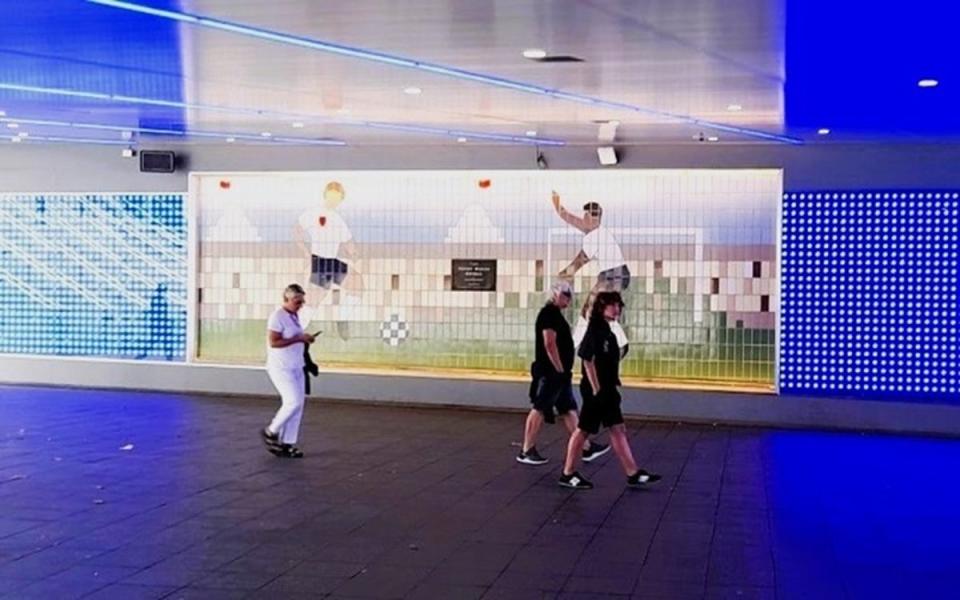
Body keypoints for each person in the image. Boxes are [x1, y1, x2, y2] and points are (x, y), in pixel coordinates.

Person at [559, 291, 661, 489]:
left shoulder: (607, 330)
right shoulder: (595, 330)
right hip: (597, 392)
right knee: (583, 431)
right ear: (601, 308)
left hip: (608, 390)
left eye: (618, 305)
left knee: (617, 428)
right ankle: (568, 473)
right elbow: (587, 359)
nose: (617, 309)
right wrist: (597, 390)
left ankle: (633, 473)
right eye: (612, 305)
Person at [518, 280, 610, 466]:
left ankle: (585, 447)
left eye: (570, 294)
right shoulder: (549, 314)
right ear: (556, 294)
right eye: (566, 294)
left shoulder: (555, 315)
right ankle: (526, 450)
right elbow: (549, 344)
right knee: (540, 408)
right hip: (551, 373)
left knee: (568, 409)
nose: (569, 298)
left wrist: (562, 372)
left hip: (559, 374)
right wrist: (559, 370)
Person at [293, 181, 363, 339]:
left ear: (341, 199)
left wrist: (355, 253)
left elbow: (350, 244)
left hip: (332, 262)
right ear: (325, 195)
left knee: (357, 285)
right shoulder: (313, 213)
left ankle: (342, 318)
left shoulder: (338, 220)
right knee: (313, 301)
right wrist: (305, 251)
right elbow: (297, 229)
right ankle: (293, 333)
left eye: (337, 198)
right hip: (322, 262)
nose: (333, 201)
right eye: (331, 196)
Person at [261, 284, 317, 458]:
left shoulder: (294, 317)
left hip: (296, 366)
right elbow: (274, 342)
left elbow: (294, 339)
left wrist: (304, 339)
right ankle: (271, 430)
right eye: (297, 301)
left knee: (298, 405)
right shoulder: (277, 317)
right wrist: (299, 338)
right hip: (281, 367)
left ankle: (288, 443)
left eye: (302, 301)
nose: (300, 304)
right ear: (286, 299)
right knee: (292, 401)